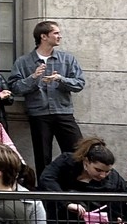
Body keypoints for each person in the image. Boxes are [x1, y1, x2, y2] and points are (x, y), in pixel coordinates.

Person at [7, 21, 85, 175]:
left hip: (63, 112)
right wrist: (33, 77)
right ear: (43, 36)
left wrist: (60, 79)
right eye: (56, 33)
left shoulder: (67, 59)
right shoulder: (24, 62)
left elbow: (79, 83)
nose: (59, 36)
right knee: (42, 156)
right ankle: (45, 187)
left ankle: (74, 185)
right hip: (39, 114)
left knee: (78, 152)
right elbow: (14, 88)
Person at [39, 137, 127, 224]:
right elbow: (46, 179)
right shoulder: (66, 162)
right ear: (86, 162)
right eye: (98, 170)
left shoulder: (113, 178)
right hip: (60, 223)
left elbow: (125, 194)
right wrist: (66, 202)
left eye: (107, 171)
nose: (103, 175)